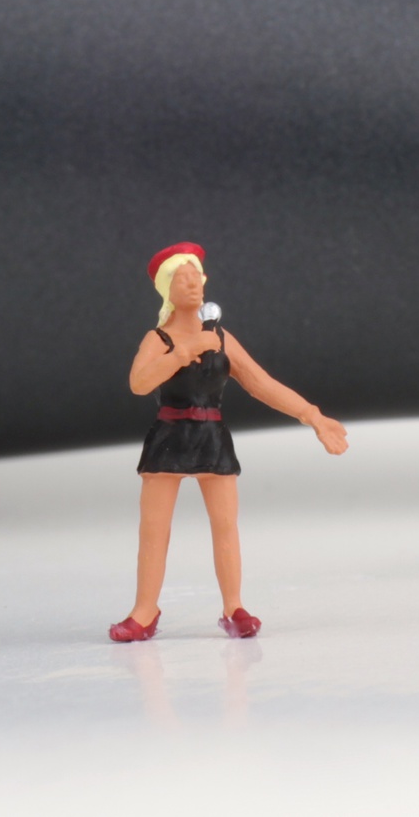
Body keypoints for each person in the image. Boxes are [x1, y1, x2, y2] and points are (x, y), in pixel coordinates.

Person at [110, 243, 348, 642]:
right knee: (154, 529)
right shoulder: (159, 338)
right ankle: (144, 610)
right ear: (167, 289)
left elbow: (262, 383)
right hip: (170, 437)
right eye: (182, 278)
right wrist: (182, 353)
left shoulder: (220, 337)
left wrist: (313, 415)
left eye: (197, 276)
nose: (193, 284)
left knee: (225, 526)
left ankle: (233, 606)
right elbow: (139, 383)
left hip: (211, 438)